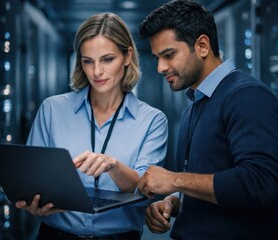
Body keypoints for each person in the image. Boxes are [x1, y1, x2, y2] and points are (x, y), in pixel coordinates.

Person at [137, 0, 278, 239]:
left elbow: (261, 184)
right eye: (157, 58)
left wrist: (174, 180)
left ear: (203, 46)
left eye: (169, 55)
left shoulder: (248, 96)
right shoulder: (195, 105)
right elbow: (205, 183)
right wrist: (173, 203)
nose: (161, 68)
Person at [15, 13, 168, 240]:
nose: (97, 71)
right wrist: (33, 203)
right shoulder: (52, 109)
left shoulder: (152, 120)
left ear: (127, 56)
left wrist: (113, 166)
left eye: (107, 59)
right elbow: (30, 179)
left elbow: (145, 188)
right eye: (88, 61)